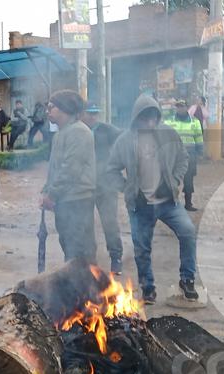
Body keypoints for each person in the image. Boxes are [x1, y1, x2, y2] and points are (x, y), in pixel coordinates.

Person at [105, 94, 198, 304]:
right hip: (140, 205)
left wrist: (175, 179)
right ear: (136, 117)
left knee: (188, 232)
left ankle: (187, 279)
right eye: (144, 118)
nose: (149, 122)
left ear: (158, 116)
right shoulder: (125, 140)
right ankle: (147, 288)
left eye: (153, 117)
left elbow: (183, 158)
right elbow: (110, 170)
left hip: (167, 202)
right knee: (142, 248)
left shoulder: (168, 133)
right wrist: (127, 187)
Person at [43, 90, 97, 263]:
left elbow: (70, 170)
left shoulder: (79, 132)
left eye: (52, 107)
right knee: (68, 246)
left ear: (64, 109)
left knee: (80, 251)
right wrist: (46, 191)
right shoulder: (60, 133)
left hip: (77, 201)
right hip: (65, 200)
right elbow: (55, 168)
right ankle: (75, 286)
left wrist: (52, 194)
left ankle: (87, 287)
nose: (48, 111)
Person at [81, 104, 124, 274]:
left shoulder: (108, 130)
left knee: (110, 222)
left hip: (106, 185)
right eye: (89, 114)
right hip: (85, 185)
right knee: (85, 225)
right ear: (82, 114)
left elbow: (124, 142)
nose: (92, 117)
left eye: (95, 114)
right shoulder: (78, 131)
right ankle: (90, 261)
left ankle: (116, 257)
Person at [165, 100, 204, 211]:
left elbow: (199, 137)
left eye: (182, 106)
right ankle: (171, 203)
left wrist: (200, 152)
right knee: (171, 178)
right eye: (178, 107)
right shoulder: (169, 122)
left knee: (188, 180)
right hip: (173, 155)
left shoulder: (194, 122)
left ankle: (188, 203)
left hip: (189, 155)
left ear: (187, 107)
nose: (180, 109)